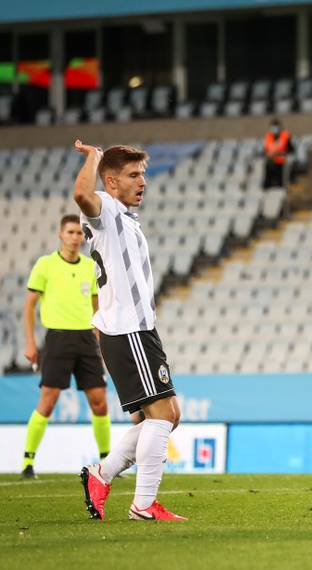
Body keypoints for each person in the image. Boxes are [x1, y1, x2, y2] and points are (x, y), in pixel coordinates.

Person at [73, 140, 186, 521]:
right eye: (134, 175)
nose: (143, 182)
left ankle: (101, 475)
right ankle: (143, 504)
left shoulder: (123, 217)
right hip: (127, 330)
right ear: (111, 181)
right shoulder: (105, 209)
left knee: (168, 413)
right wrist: (93, 156)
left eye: (144, 175)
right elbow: (81, 194)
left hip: (138, 330)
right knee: (160, 416)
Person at [20, 215, 110, 480]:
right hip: (57, 339)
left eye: (79, 233)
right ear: (61, 234)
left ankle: (106, 461)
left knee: (100, 402)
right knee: (48, 402)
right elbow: (29, 306)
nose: (75, 237)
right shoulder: (45, 265)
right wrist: (30, 341)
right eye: (70, 232)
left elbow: (98, 310)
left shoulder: (89, 267)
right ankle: (27, 462)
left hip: (86, 340)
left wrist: (101, 343)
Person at [262, 118, 293, 189]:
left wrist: (282, 153)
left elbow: (291, 149)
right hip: (271, 163)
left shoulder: (285, 136)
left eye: (276, 126)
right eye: (273, 127)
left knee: (280, 183)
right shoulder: (268, 136)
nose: (274, 129)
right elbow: (266, 150)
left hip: (282, 163)